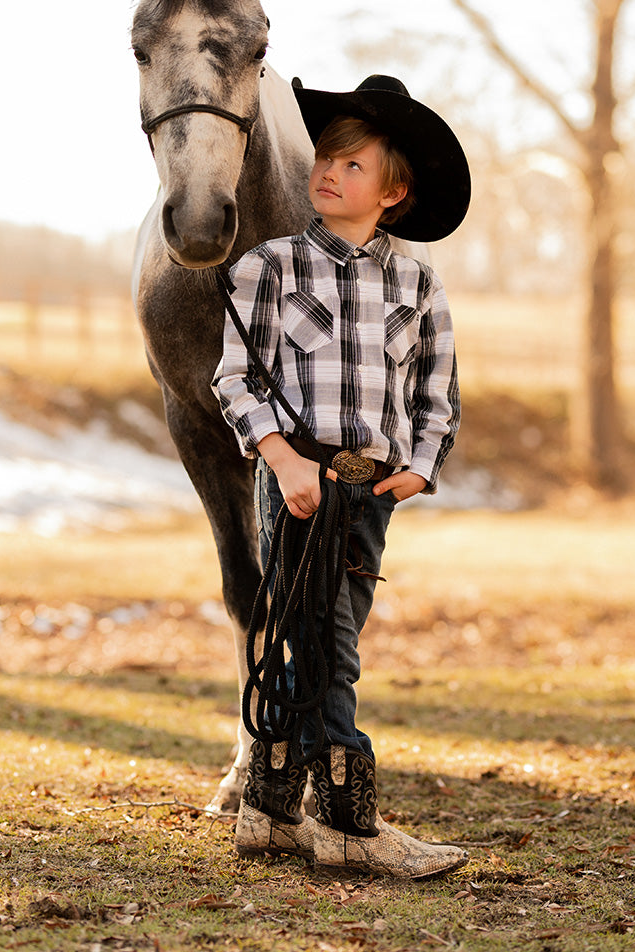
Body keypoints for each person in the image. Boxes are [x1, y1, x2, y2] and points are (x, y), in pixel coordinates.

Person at [211, 75, 471, 879]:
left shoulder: (417, 285)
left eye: (352, 165)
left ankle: (271, 808)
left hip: (366, 491)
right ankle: (350, 821)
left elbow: (438, 392)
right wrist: (283, 459)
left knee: (312, 636)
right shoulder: (269, 268)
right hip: (296, 478)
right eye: (325, 159)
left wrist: (418, 470)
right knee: (328, 646)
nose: (327, 173)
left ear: (392, 192)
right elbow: (235, 380)